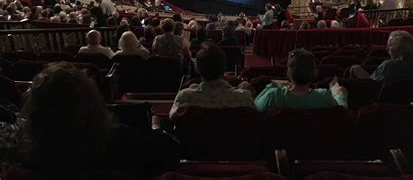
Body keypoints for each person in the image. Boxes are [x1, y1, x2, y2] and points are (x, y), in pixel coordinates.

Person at [18, 62, 180, 178]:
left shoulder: (27, 157)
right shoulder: (119, 139)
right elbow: (171, 153)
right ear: (92, 99)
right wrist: (157, 128)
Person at [169, 44, 255, 118]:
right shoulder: (244, 97)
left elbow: (172, 117)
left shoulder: (185, 96)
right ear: (224, 67)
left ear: (197, 69)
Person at [254, 49, 348, 113]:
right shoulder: (324, 97)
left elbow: (255, 107)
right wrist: (340, 95)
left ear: (289, 72)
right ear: (313, 73)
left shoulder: (273, 96)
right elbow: (341, 112)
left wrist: (272, 84)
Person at [349, 30, 413, 81]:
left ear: (398, 48)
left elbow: (371, 83)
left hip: (387, 101)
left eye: (389, 46)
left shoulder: (388, 65)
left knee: (354, 68)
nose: (387, 49)